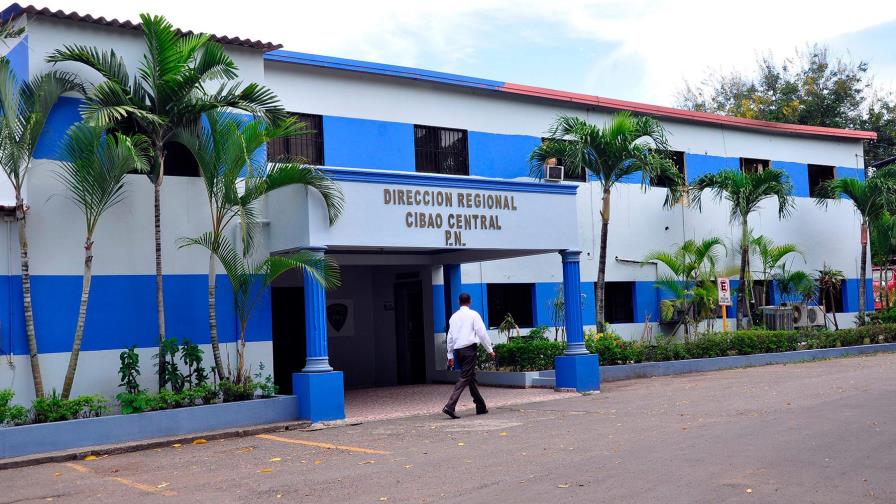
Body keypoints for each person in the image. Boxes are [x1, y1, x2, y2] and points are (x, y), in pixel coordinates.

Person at [443, 292, 495, 419]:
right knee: (465, 377)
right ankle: (449, 406)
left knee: (471, 377)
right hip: (469, 350)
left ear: (458, 302)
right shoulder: (473, 314)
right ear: (470, 301)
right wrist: (490, 349)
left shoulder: (453, 317)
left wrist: (450, 356)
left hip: (458, 351)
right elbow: (481, 333)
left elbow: (450, 337)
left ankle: (480, 406)